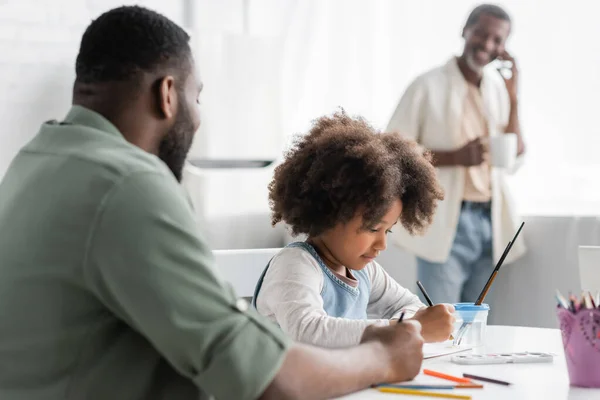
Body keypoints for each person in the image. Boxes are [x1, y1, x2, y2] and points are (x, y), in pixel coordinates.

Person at [0, 6, 428, 400]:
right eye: (197, 97)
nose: (198, 116)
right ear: (167, 94)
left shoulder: (34, 161)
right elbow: (262, 376)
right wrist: (384, 357)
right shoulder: (127, 183)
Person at [253, 111, 453, 348]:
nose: (382, 245)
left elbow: (409, 306)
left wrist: (418, 320)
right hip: (289, 383)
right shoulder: (296, 264)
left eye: (387, 231)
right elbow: (308, 330)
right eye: (372, 228)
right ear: (330, 214)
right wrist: (409, 329)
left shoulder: (364, 272)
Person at [386, 4, 526, 304]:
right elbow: (392, 153)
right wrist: (455, 157)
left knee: (478, 329)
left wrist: (514, 97)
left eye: (497, 40)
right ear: (465, 30)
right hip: (448, 222)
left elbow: (514, 157)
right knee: (441, 326)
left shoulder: (498, 90)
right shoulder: (427, 86)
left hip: (490, 222)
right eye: (481, 34)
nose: (487, 45)